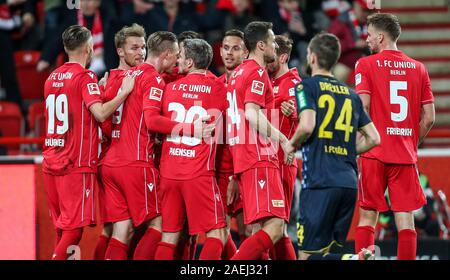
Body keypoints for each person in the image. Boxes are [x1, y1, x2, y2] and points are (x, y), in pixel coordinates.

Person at [42, 25, 135, 260]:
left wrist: (99, 91)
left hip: (51, 161)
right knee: (73, 231)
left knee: (62, 228)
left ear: (65, 47)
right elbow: (101, 114)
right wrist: (123, 93)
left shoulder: (51, 78)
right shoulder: (85, 77)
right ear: (89, 48)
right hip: (75, 164)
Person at [286, 32, 380, 260]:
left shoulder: (306, 87)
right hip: (348, 184)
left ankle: (353, 259)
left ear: (312, 58)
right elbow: (374, 138)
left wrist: (290, 145)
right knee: (326, 253)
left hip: (319, 182)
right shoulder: (352, 95)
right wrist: (347, 149)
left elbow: (307, 126)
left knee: (307, 256)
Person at [354, 13, 435, 260]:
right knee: (406, 222)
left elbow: (363, 107)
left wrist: (361, 142)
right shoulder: (419, 68)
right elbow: (429, 117)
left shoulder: (365, 65)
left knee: (368, 217)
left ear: (380, 36)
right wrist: (410, 141)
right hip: (404, 155)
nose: (367, 40)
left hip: (374, 152)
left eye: (369, 35)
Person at [152, 38, 228, 260]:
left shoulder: (170, 88)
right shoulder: (217, 88)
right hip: (198, 172)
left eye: (182, 56)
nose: (178, 60)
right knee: (217, 233)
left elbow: (159, 123)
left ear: (190, 63)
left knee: (169, 236)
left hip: (169, 172)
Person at [226, 21, 294, 260]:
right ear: (261, 44)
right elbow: (252, 114)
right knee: (276, 228)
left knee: (256, 230)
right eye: (273, 40)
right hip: (258, 157)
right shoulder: (256, 72)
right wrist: (283, 139)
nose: (275, 45)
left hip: (244, 158)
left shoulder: (236, 74)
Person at [92, 23, 147, 260]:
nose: (141, 52)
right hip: (131, 161)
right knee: (153, 225)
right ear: (120, 51)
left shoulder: (106, 81)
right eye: (134, 48)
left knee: (115, 228)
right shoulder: (142, 78)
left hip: (108, 162)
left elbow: (101, 127)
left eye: (143, 47)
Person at [266, 34, 301, 259]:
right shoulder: (269, 82)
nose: (267, 60)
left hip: (283, 162)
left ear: (283, 57)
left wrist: (295, 114)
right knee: (268, 226)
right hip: (265, 160)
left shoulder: (294, 84)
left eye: (271, 58)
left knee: (278, 227)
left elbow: (307, 119)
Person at [216, 29, 248, 258]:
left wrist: (237, 176)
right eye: (226, 48)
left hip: (243, 168)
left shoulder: (250, 82)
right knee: (219, 232)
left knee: (249, 231)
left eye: (236, 48)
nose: (229, 53)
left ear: (246, 52)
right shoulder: (214, 85)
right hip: (218, 169)